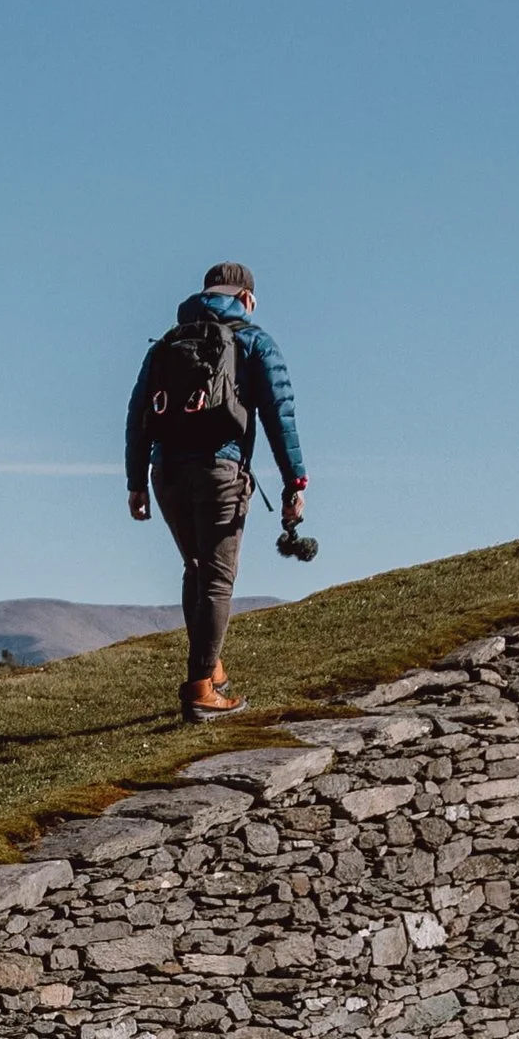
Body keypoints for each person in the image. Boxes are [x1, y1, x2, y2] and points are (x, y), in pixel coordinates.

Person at [125, 262, 309, 720]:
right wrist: (295, 481)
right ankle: (201, 688)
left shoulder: (168, 343)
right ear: (245, 297)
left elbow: (137, 415)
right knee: (217, 578)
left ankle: (212, 669)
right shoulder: (254, 340)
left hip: (165, 472)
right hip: (220, 470)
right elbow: (278, 415)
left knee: (196, 569)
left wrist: (135, 482)